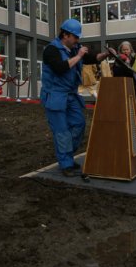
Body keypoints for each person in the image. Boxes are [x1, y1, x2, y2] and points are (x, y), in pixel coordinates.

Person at [40, 19, 110, 177]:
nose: (78, 40)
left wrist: (105, 55)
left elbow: (91, 57)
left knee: (79, 124)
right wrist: (78, 56)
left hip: (71, 95)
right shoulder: (51, 50)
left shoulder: (74, 48)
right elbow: (60, 68)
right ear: (65, 35)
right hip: (55, 96)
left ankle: (66, 154)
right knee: (62, 132)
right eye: (75, 37)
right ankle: (66, 163)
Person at [112, 41, 136, 107]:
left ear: (130, 50)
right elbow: (115, 73)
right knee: (122, 106)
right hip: (121, 86)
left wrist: (127, 62)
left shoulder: (134, 59)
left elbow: (133, 72)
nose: (125, 51)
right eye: (123, 50)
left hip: (132, 86)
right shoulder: (118, 60)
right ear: (121, 51)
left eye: (127, 49)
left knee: (133, 105)